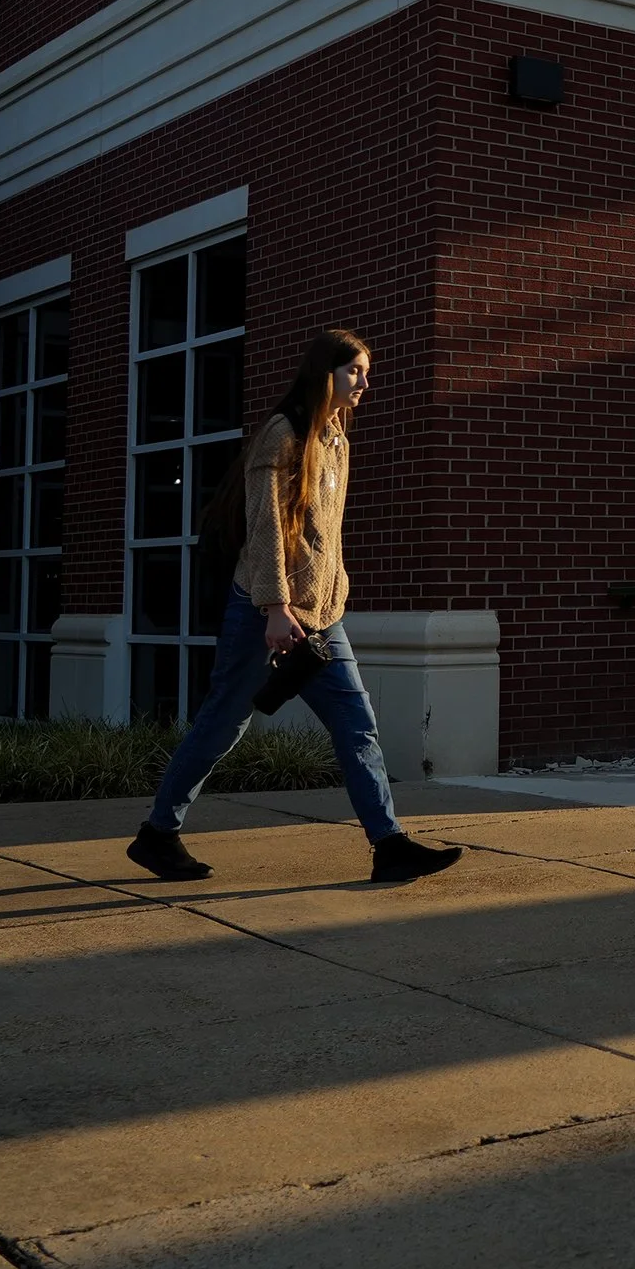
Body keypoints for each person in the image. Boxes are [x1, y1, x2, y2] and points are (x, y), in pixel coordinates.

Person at [127, 329, 462, 885]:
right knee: (222, 724)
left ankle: (389, 845)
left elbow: (324, 533)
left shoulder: (337, 440)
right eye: (354, 370)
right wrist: (276, 606)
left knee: (358, 727)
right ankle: (158, 834)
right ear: (323, 372)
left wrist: (331, 594)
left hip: (322, 619)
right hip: (263, 611)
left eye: (365, 371)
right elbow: (266, 531)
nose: (364, 382)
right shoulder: (282, 436)